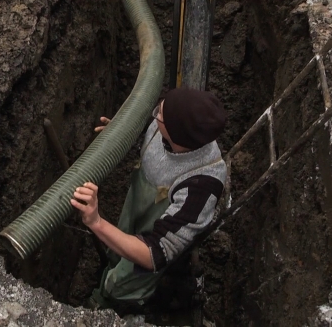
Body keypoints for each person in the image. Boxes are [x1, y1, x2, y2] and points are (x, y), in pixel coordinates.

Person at [70, 87, 227, 310]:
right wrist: (122, 133)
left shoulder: (201, 186)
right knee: (115, 250)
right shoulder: (168, 126)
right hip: (137, 208)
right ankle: (110, 268)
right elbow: (149, 131)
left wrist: (96, 222)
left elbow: (155, 254)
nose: (155, 115)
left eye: (160, 115)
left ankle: (109, 307)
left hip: (152, 244)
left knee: (123, 285)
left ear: (177, 135)